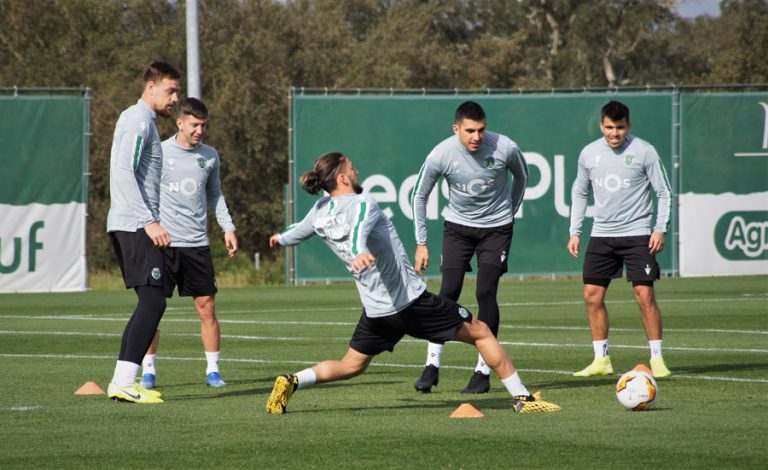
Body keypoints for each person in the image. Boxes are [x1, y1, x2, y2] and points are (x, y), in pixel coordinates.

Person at [265, 152, 559, 414]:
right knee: (482, 332)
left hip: (376, 312)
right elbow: (358, 232)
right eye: (352, 169)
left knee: (351, 365)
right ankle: (524, 399)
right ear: (342, 177)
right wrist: (358, 252)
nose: (357, 171)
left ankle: (292, 381)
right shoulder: (364, 201)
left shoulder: (319, 212)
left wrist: (280, 238)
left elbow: (297, 232)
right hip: (411, 303)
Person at [410, 101, 528, 394]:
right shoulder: (441, 154)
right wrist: (421, 243)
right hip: (457, 230)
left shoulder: (505, 148)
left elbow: (522, 177)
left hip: (496, 230)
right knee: (448, 292)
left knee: (486, 291)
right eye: (470, 131)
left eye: (481, 130)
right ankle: (432, 366)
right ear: (456, 129)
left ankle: (482, 373)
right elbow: (419, 195)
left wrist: (509, 212)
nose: (477, 137)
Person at [139, 97, 238, 390]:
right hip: (162, 244)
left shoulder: (209, 156)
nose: (199, 130)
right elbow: (143, 193)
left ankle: (213, 371)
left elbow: (215, 195)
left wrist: (228, 228)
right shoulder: (159, 153)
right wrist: (147, 226)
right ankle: (148, 371)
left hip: (197, 245)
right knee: (152, 308)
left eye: (204, 126)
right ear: (180, 123)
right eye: (194, 125)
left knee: (207, 307)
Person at [568, 100, 672, 378]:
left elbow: (664, 193)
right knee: (591, 296)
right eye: (610, 127)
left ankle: (657, 359)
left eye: (620, 127)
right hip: (602, 235)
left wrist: (660, 228)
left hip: (638, 234)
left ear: (629, 126)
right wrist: (575, 231)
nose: (615, 133)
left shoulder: (644, 151)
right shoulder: (589, 154)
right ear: (601, 125)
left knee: (644, 295)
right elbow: (580, 193)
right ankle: (601, 360)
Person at [106, 61, 181, 404]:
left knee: (150, 301)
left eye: (177, 91)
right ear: (150, 87)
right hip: (135, 224)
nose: (175, 98)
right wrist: (148, 221)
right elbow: (123, 172)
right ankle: (124, 382)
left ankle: (123, 381)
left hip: (134, 222)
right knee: (153, 299)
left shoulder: (145, 121)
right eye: (170, 90)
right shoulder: (137, 119)